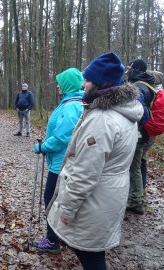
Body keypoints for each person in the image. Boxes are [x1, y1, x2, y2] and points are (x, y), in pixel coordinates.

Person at [46, 52, 143, 269]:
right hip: (109, 192)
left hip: (96, 198)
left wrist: (67, 209)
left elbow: (85, 173)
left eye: (88, 80)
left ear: (100, 84)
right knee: (91, 251)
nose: (83, 84)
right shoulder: (123, 111)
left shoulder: (102, 119)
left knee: (89, 253)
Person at [33, 68, 84, 254]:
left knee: (51, 199)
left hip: (61, 164)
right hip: (67, 161)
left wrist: (42, 147)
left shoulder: (71, 106)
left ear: (68, 85)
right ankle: (60, 236)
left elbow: (63, 137)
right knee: (60, 199)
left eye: (60, 83)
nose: (57, 86)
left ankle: (52, 240)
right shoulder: (76, 102)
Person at [125, 59, 156, 215]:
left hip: (139, 134)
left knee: (134, 167)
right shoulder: (148, 85)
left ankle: (136, 201)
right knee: (140, 163)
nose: (128, 70)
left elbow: (137, 111)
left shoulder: (138, 87)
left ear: (136, 69)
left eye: (130, 68)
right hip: (145, 133)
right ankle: (138, 195)